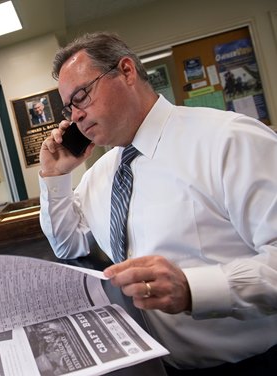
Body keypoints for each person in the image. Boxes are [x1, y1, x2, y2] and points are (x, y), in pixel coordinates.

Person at [38, 31, 277, 375]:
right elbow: (67, 244)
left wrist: (193, 289)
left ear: (127, 72)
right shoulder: (102, 174)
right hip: (154, 364)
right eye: (68, 107)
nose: (74, 116)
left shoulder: (229, 140)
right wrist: (55, 176)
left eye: (82, 96)